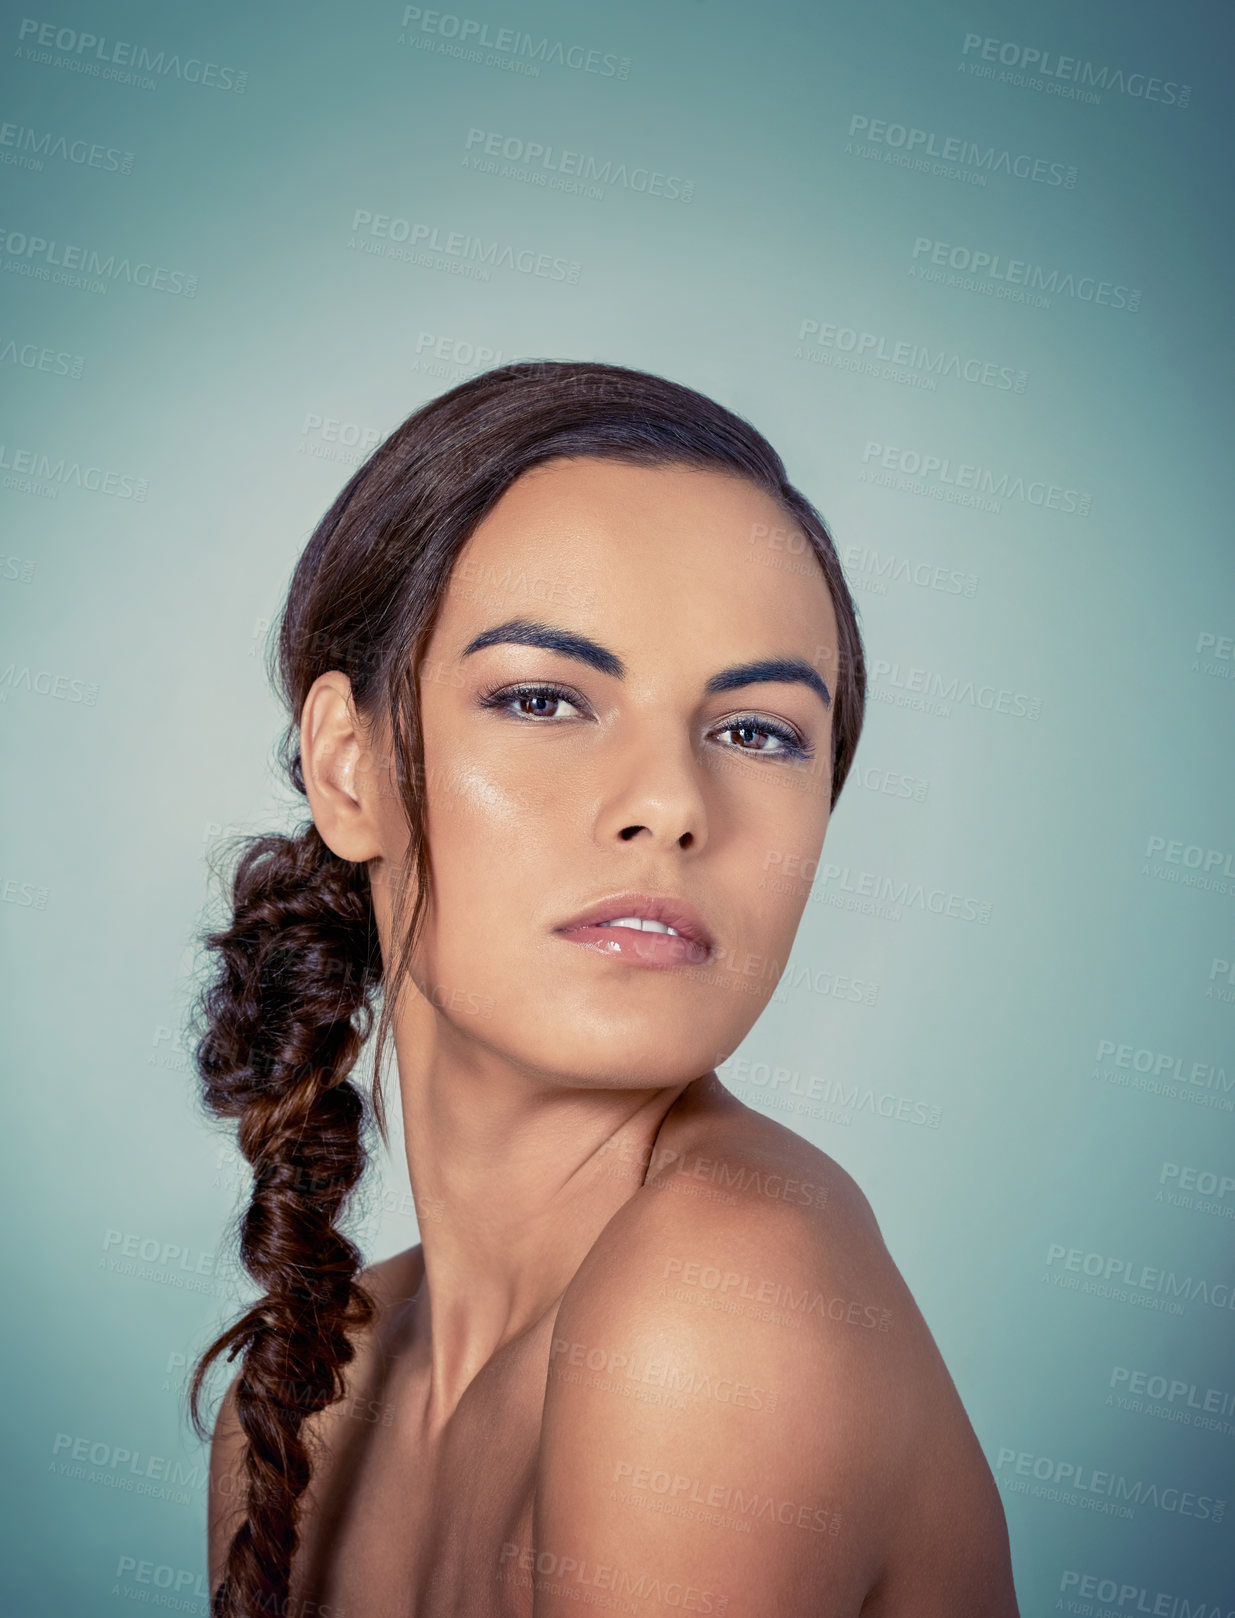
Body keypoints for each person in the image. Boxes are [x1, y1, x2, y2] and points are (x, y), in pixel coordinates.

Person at [190, 360, 1019, 1617]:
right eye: (543, 698)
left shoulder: (718, 1299)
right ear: (348, 767)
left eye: (756, 730)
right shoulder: (312, 1394)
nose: (672, 806)